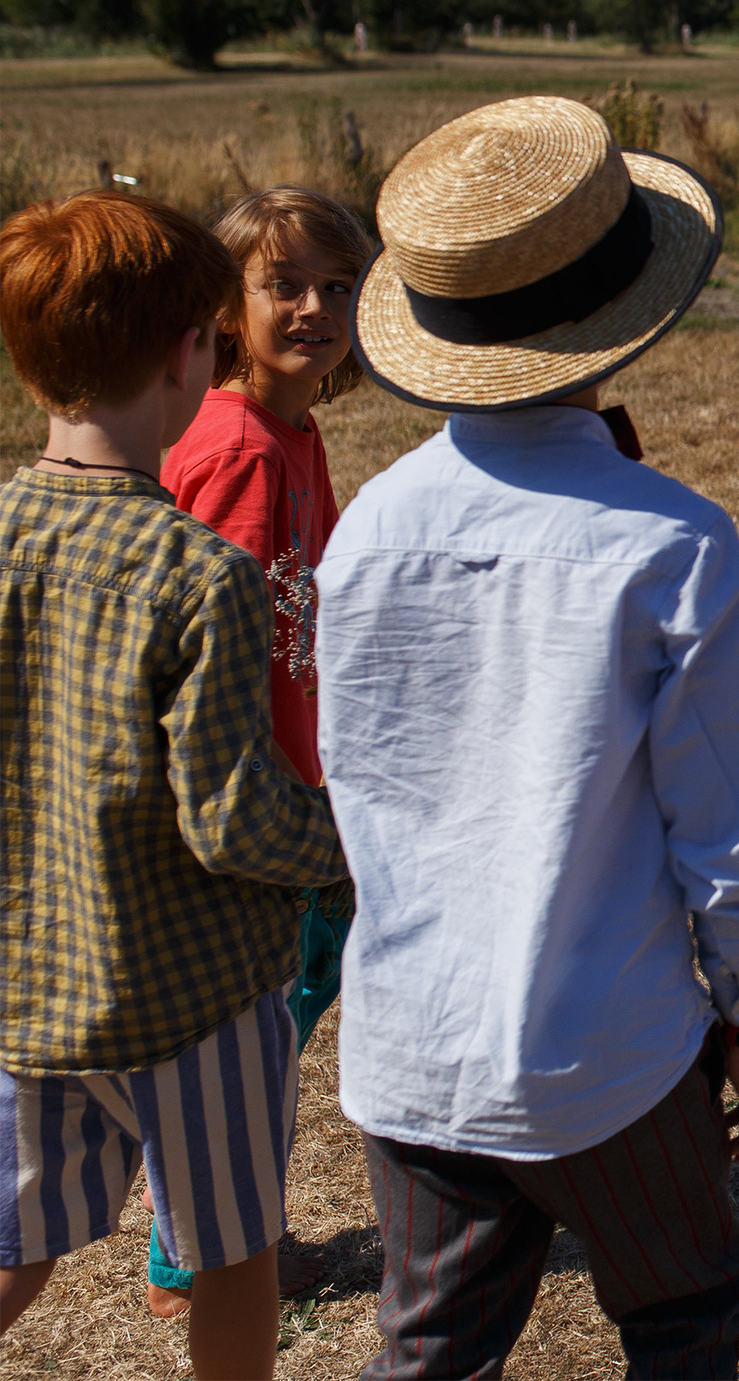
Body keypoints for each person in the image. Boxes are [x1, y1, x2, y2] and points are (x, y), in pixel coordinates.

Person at [314, 96, 739, 1379]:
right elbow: (729, 824)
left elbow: (362, 777)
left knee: (430, 1348)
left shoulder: (366, 527)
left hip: (413, 1038)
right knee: (681, 1314)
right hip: (610, 1044)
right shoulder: (668, 540)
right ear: (622, 314)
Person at [0, 191, 346, 1381]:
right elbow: (233, 812)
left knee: (16, 1243)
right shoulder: (197, 572)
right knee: (233, 1249)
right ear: (188, 350)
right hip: (193, 992)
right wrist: (349, 839)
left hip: (34, 977)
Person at [151, 187, 368, 1315]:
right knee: (250, 1040)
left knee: (278, 1024)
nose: (315, 307)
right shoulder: (237, 446)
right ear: (229, 308)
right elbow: (225, 648)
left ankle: (214, 1241)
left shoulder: (291, 428)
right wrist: (282, 809)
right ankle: (199, 1261)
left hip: (301, 779)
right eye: (284, 284)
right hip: (263, 803)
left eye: (338, 286)